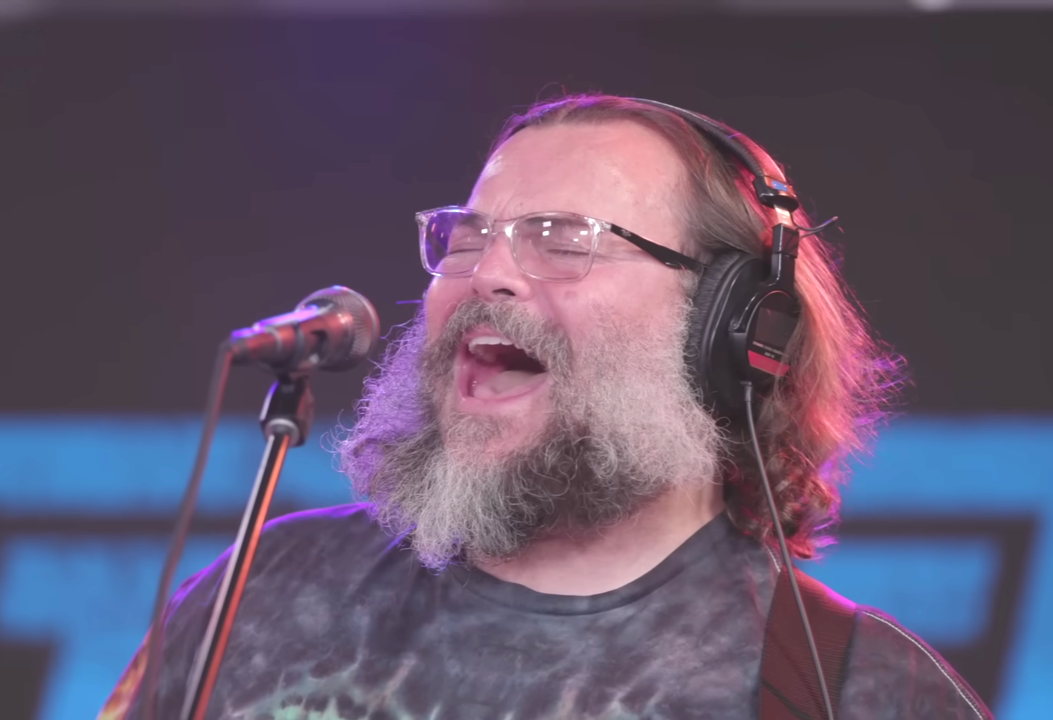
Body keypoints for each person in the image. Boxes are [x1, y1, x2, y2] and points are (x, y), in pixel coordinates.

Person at [101, 94, 991, 720]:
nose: (487, 272)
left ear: (730, 328)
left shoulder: (858, 691)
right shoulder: (261, 595)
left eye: (564, 240)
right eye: (467, 236)